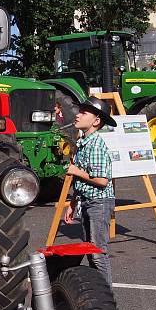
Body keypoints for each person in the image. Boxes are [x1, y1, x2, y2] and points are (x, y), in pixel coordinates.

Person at [64, 96, 116, 286]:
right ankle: (99, 291)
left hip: (99, 203)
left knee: (97, 252)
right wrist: (72, 203)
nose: (77, 115)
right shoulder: (82, 142)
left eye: (83, 113)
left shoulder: (96, 144)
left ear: (96, 121)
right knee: (90, 251)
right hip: (87, 201)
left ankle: (105, 294)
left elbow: (102, 180)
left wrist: (76, 171)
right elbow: (81, 179)